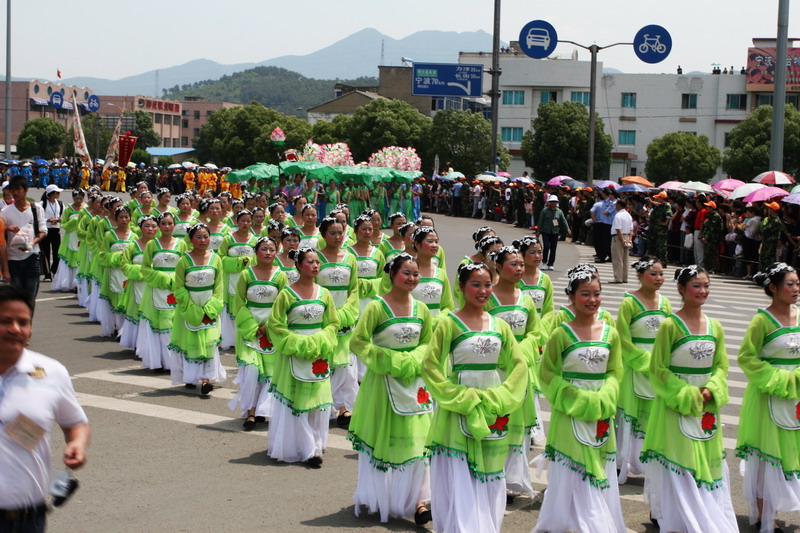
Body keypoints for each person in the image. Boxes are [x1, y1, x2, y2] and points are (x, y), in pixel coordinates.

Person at [422, 263, 528, 533]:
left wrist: (503, 395)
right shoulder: (449, 323)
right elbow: (431, 365)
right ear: (461, 286)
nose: (483, 291)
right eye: (476, 284)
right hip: (459, 402)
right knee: (461, 469)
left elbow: (518, 365)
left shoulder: (500, 325)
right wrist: (457, 394)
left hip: (492, 402)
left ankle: (486, 525)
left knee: (491, 468)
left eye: (487, 285)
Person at [640, 265, 737, 532]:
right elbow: (658, 369)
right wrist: (685, 394)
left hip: (706, 403)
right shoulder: (670, 325)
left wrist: (713, 388)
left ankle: (706, 510)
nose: (703, 291)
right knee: (680, 457)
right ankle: (676, 514)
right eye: (696, 285)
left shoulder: (715, 326)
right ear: (682, 289)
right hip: (677, 402)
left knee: (704, 458)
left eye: (706, 285)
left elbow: (721, 365)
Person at [533, 266, 626, 533]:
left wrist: (606, 394)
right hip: (570, 409)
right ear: (571, 297)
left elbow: (615, 370)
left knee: (597, 460)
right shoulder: (561, 334)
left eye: (597, 293)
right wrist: (571, 396)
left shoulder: (611, 332)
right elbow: (547, 372)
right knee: (572, 463)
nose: (592, 300)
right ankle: (573, 520)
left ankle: (595, 520)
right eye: (585, 294)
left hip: (600, 408)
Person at [348, 253, 434, 525]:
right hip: (383, 383)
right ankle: (381, 496)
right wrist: (390, 360)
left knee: (418, 440)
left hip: (415, 382)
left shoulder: (422, 309)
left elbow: (429, 343)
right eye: (406, 273)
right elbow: (358, 342)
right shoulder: (377, 307)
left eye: (415, 274)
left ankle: (418, 501)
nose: (411, 278)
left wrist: (413, 359)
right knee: (385, 438)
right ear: (392, 274)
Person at [0, 284, 90, 533]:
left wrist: (77, 444)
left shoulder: (51, 372)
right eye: (5, 321)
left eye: (23, 322)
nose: (15, 329)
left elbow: (76, 423)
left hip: (29, 519)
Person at [737, 262, 800, 532]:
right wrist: (779, 379)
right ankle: (767, 518)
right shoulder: (762, 320)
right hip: (768, 396)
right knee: (767, 457)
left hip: (796, 395)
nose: (796, 289)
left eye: (798, 283)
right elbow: (746, 358)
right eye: (790, 284)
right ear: (773, 288)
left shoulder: (799, 314)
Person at [266, 247, 340, 467]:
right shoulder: (286, 294)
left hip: (318, 351)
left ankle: (316, 445)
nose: (316, 266)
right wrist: (298, 343)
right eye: (310, 262)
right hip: (295, 352)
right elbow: (276, 325)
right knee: (296, 399)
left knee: (317, 400)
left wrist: (321, 340)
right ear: (298, 266)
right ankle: (305, 448)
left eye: (318, 262)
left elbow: (333, 323)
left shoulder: (324, 293)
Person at [614, 256, 671, 484]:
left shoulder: (666, 303)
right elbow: (623, 339)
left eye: (661, 274)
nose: (658, 278)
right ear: (639, 276)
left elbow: (670, 336)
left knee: (654, 414)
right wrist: (645, 362)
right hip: (634, 366)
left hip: (659, 367)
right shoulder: (629, 303)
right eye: (653, 274)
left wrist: (663, 363)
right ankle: (624, 462)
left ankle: (652, 462)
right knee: (631, 415)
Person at [229, 237, 287, 429]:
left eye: (272, 249)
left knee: (270, 373)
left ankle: (263, 410)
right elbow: (238, 302)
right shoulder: (247, 274)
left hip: (272, 329)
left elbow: (284, 305)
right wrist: (253, 328)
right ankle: (250, 411)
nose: (268, 252)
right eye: (264, 249)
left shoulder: (280, 276)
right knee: (251, 371)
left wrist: (269, 326)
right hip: (250, 329)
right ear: (256, 252)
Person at [168, 223, 227, 395]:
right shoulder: (183, 260)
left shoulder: (216, 259)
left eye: (206, 236)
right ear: (191, 239)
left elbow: (219, 286)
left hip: (209, 304)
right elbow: (178, 287)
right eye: (198, 237)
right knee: (191, 341)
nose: (203, 240)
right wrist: (191, 308)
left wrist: (211, 306)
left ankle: (206, 379)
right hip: (190, 305)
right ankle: (190, 375)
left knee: (209, 341)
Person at [136, 212, 187, 371]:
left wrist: (175, 280)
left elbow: (185, 267)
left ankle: (176, 362)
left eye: (170, 223)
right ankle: (160, 361)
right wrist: (161, 277)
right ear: (159, 226)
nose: (166, 227)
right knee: (158, 325)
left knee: (175, 323)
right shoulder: (152, 245)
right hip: (156, 289)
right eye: (163, 223)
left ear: (174, 225)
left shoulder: (181, 244)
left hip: (175, 288)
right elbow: (144, 269)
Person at [1, 176, 47, 298]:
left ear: (26, 190)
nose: (15, 193)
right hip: (13, 260)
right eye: (12, 190)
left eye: (18, 189)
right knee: (16, 298)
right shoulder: (5, 211)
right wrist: (7, 228)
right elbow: (1, 234)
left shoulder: (36, 208)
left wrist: (31, 244)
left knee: (30, 298)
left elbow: (42, 231)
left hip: (31, 258)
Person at [51, 189, 84, 292]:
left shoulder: (86, 208)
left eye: (80, 198)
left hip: (81, 237)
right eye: (76, 198)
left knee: (80, 260)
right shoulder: (69, 209)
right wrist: (72, 223)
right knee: (69, 260)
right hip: (71, 236)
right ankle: (68, 282)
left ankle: (78, 283)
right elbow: (63, 224)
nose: (78, 200)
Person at [537, 194, 570, 271]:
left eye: (555, 202)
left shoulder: (559, 211)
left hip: (555, 232)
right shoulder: (544, 210)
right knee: (546, 246)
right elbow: (540, 221)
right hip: (546, 231)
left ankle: (551, 264)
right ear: (549, 202)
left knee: (553, 248)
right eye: (552, 202)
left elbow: (563, 220)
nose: (553, 203)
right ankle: (544, 262)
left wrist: (567, 228)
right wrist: (538, 230)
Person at [40, 184, 64, 281]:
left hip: (56, 230)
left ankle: (55, 271)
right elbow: (39, 217)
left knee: (57, 252)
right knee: (46, 252)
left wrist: (59, 220)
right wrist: (48, 220)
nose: (58, 194)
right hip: (46, 230)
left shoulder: (60, 204)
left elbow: (64, 216)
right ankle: (47, 274)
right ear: (51, 194)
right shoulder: (42, 204)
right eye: (57, 192)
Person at [610, 199, 634, 283]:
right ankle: (624, 277)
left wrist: (622, 240)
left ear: (620, 205)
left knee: (617, 258)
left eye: (616, 205)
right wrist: (630, 239)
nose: (615, 207)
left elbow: (618, 229)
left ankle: (618, 278)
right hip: (627, 236)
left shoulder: (618, 215)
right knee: (625, 258)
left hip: (618, 237)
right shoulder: (628, 215)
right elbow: (631, 230)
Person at [646, 191, 672, 264]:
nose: (657, 199)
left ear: (662, 198)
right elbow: (656, 204)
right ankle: (654, 260)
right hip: (654, 229)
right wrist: (650, 202)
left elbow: (669, 215)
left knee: (661, 246)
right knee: (653, 245)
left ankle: (663, 262)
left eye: (658, 198)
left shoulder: (666, 205)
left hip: (661, 230)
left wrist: (665, 223)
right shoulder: (660, 205)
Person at [701, 200, 724, 274]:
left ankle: (712, 268)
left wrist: (706, 237)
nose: (706, 208)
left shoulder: (715, 216)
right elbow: (707, 227)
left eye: (708, 207)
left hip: (713, 238)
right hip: (709, 238)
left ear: (711, 208)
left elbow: (711, 228)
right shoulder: (710, 215)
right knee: (707, 253)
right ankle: (707, 267)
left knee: (711, 253)